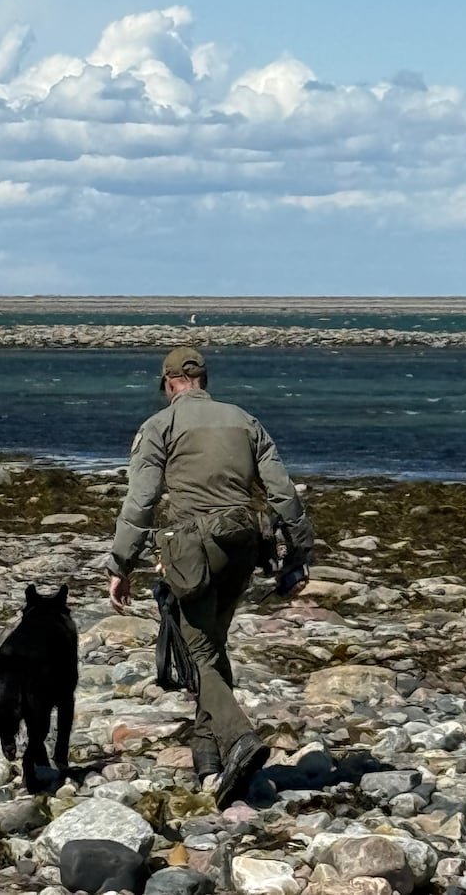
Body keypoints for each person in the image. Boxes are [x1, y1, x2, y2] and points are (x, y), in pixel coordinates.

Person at [103, 346, 314, 808]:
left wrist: (121, 564)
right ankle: (208, 760)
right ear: (204, 380)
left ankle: (240, 738)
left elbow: (140, 503)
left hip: (190, 546)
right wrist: (298, 553)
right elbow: (283, 492)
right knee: (213, 644)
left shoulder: (160, 426)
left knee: (198, 650)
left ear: (168, 383)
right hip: (242, 542)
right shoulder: (245, 420)